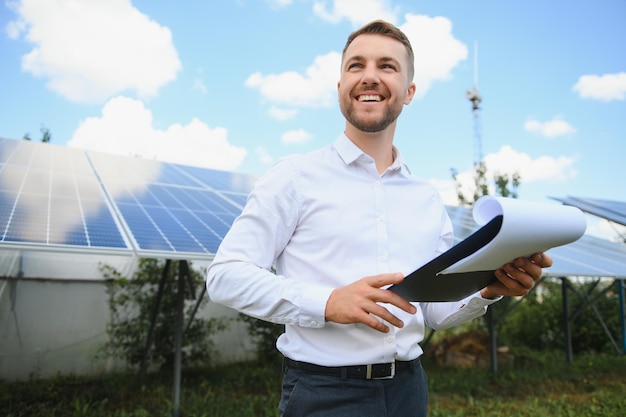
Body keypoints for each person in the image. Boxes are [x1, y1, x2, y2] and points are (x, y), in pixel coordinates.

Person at [206, 19, 552, 417]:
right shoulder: (294, 177)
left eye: (387, 66)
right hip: (323, 394)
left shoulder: (426, 198)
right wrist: (327, 301)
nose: (369, 76)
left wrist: (489, 289)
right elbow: (225, 275)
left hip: (409, 389)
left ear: (409, 92)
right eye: (356, 65)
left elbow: (434, 311)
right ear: (340, 88)